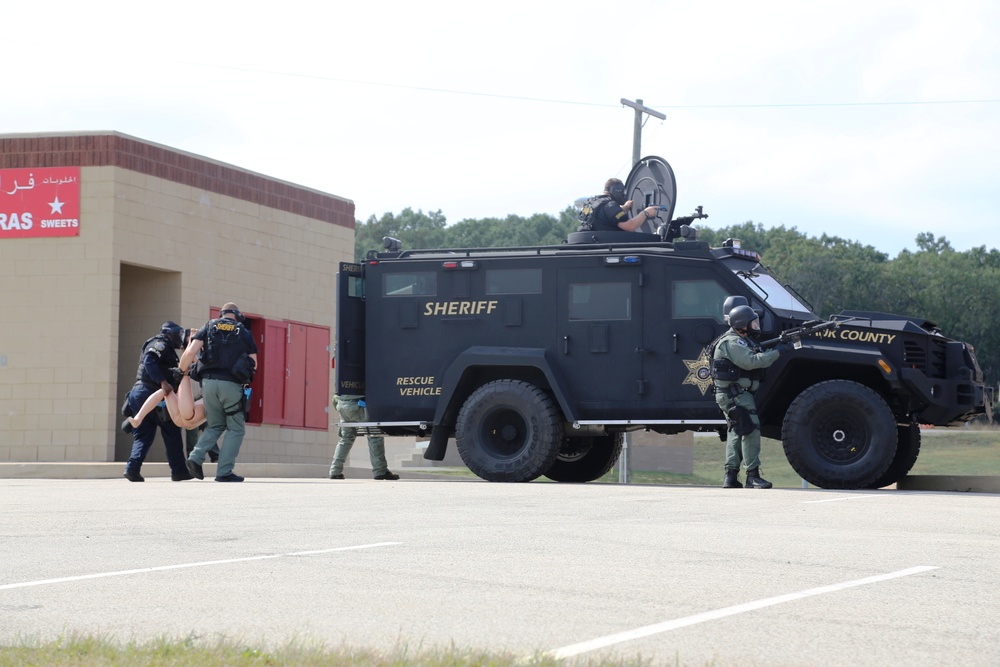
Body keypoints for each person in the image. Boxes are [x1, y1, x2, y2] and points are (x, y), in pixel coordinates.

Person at [711, 304, 788, 489]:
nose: (755, 326)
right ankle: (752, 475)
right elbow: (751, 361)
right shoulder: (732, 342)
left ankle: (730, 476)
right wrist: (779, 351)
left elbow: (755, 352)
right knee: (751, 429)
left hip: (734, 394)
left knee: (737, 432)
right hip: (736, 395)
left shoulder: (741, 340)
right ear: (741, 324)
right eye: (752, 323)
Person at [182, 303, 258, 483]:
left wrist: (180, 371)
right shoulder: (244, 332)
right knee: (236, 428)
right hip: (230, 385)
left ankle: (195, 457)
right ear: (237, 316)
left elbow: (191, 351)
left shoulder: (208, 326)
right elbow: (254, 363)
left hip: (207, 385)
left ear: (221, 315)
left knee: (215, 425)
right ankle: (224, 472)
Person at [120, 321, 193, 482]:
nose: (180, 338)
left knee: (144, 435)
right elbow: (149, 361)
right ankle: (179, 471)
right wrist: (163, 382)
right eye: (179, 334)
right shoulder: (160, 343)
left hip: (142, 393)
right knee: (171, 431)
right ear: (170, 333)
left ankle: (132, 468)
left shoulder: (169, 350)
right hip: (152, 392)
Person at [328, 394, 399, 480]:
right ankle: (380, 471)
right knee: (374, 436)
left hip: (342, 405)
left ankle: (335, 471)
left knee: (346, 439)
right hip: (358, 405)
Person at [578, 178, 661, 233]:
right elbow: (630, 226)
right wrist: (646, 212)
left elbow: (606, 217)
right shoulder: (610, 205)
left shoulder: (591, 203)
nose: (623, 195)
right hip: (610, 246)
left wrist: (625, 208)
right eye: (622, 192)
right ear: (616, 190)